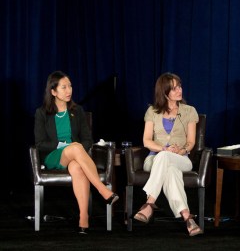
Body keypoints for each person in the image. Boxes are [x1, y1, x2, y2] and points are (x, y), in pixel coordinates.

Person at [34, 71, 119, 235]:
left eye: (70, 86)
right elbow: (39, 144)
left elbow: (88, 139)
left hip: (75, 156)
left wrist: (75, 147)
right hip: (53, 156)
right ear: (53, 91)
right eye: (64, 87)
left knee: (77, 167)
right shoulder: (42, 113)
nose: (69, 90)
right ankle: (103, 190)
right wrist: (63, 145)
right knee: (75, 148)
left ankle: (83, 218)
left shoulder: (77, 111)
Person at [133, 72, 203, 237]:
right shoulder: (152, 111)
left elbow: (191, 142)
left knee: (170, 162)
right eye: (174, 88)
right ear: (164, 92)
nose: (179, 90)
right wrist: (164, 149)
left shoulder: (189, 111)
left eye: (179, 86)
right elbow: (146, 141)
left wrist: (182, 150)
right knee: (169, 169)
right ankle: (187, 217)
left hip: (182, 159)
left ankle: (149, 203)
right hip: (154, 158)